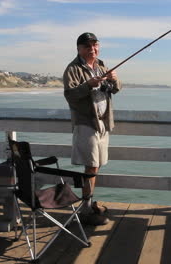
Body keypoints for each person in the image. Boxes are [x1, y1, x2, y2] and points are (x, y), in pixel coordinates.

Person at [63, 32, 122, 225]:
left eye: (95, 45)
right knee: (91, 165)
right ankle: (86, 209)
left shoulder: (101, 66)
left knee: (96, 165)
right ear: (79, 48)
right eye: (88, 46)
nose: (92, 49)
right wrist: (88, 85)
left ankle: (88, 204)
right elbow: (70, 95)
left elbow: (115, 89)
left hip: (103, 123)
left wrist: (114, 79)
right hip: (86, 123)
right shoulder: (72, 69)